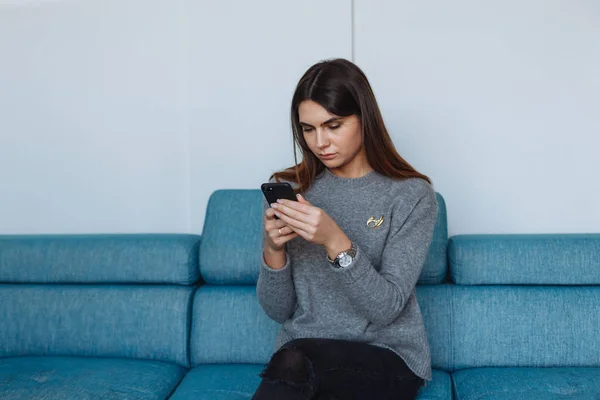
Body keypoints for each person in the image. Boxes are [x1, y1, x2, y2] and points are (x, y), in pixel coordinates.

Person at [253, 58, 438, 400]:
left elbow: (385, 309)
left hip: (386, 357)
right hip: (303, 359)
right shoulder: (292, 190)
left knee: (295, 361)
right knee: (296, 361)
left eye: (333, 125)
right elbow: (277, 311)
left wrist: (334, 241)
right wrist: (273, 251)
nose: (319, 141)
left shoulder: (411, 195)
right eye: (308, 129)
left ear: (364, 119)